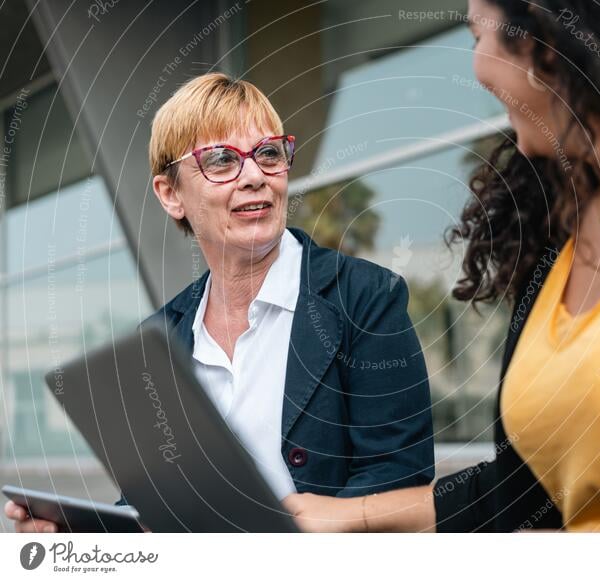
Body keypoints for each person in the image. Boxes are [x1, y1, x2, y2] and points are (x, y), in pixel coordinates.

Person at [282, 0, 600, 532]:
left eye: (476, 36)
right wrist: (349, 517)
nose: (477, 68)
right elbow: (523, 494)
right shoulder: (560, 219)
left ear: (539, 40)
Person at [5, 73, 434, 533]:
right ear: (172, 195)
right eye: (221, 161)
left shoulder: (365, 298)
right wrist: (84, 533)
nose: (254, 177)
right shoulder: (160, 335)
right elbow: (152, 502)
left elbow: (396, 479)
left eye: (268, 153)